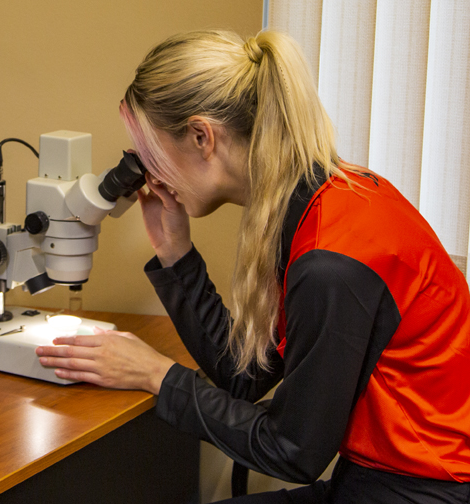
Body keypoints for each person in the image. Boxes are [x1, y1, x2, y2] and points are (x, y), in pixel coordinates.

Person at [35, 29, 470, 503]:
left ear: (203, 136)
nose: (151, 175)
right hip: (382, 476)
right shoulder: (319, 202)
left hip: (427, 490)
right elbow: (246, 378)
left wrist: (156, 375)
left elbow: (292, 449)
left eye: (152, 155)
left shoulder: (332, 259)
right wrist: (175, 254)